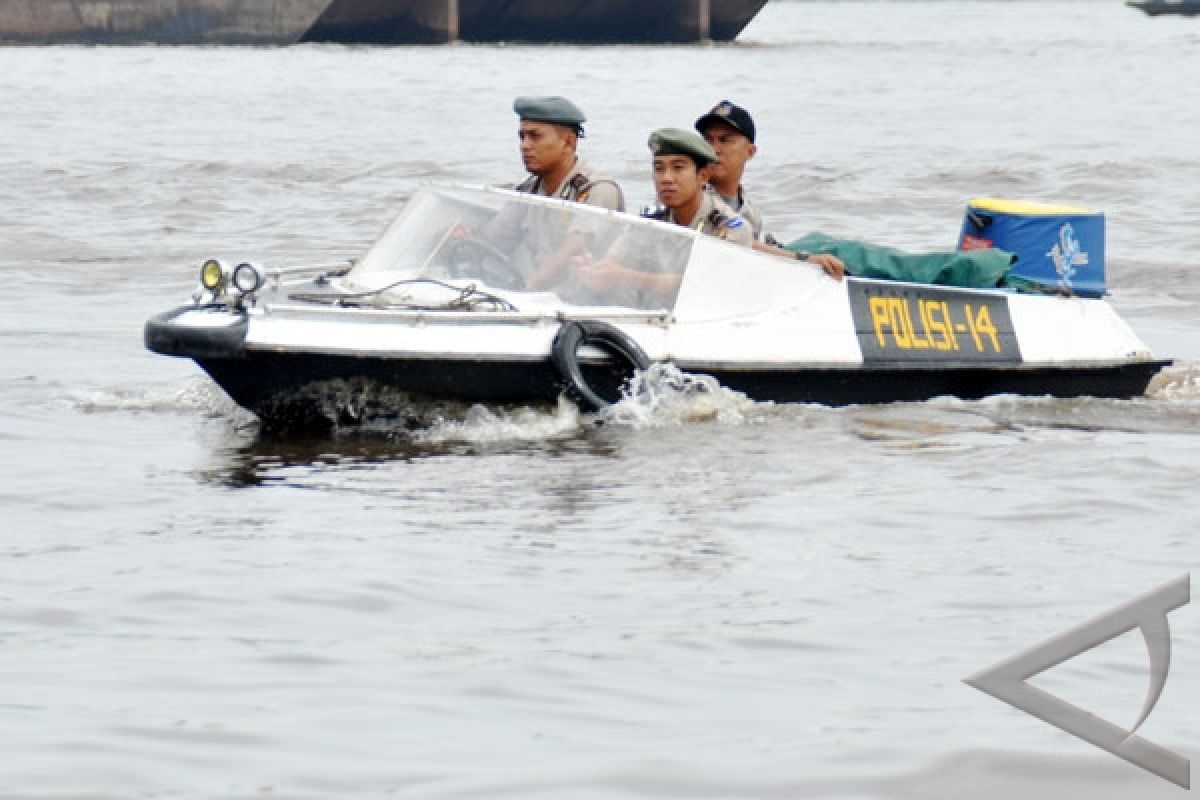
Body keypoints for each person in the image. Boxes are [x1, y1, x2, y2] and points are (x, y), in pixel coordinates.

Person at [570, 128, 753, 305]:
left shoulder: (730, 228)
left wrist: (624, 276)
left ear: (703, 176)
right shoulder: (651, 221)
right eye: (659, 169)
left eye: (678, 168)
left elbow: (704, 284)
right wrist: (593, 271)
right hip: (652, 322)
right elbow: (616, 259)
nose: (666, 178)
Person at [695, 100, 845, 280]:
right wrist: (802, 259)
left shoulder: (749, 211)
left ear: (750, 152)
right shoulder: (692, 196)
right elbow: (740, 244)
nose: (714, 149)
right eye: (708, 140)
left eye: (725, 140)